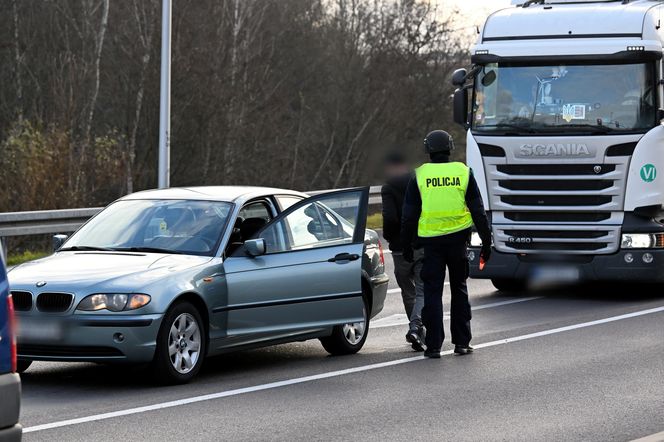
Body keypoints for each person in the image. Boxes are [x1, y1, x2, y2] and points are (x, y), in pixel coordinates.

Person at [400, 130, 492, 359]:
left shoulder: (419, 175)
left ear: (427, 150)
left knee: (432, 293)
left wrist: (407, 246)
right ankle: (462, 343)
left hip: (431, 244)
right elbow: (478, 211)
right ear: (450, 148)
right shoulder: (462, 172)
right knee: (459, 289)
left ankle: (433, 346)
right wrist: (486, 241)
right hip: (458, 241)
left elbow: (409, 216)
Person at [381, 152, 425, 351]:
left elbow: (389, 218)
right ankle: (417, 328)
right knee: (423, 290)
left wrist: (391, 238)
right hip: (421, 242)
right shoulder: (418, 182)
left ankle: (416, 328)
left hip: (400, 248)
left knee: (408, 292)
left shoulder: (388, 187)